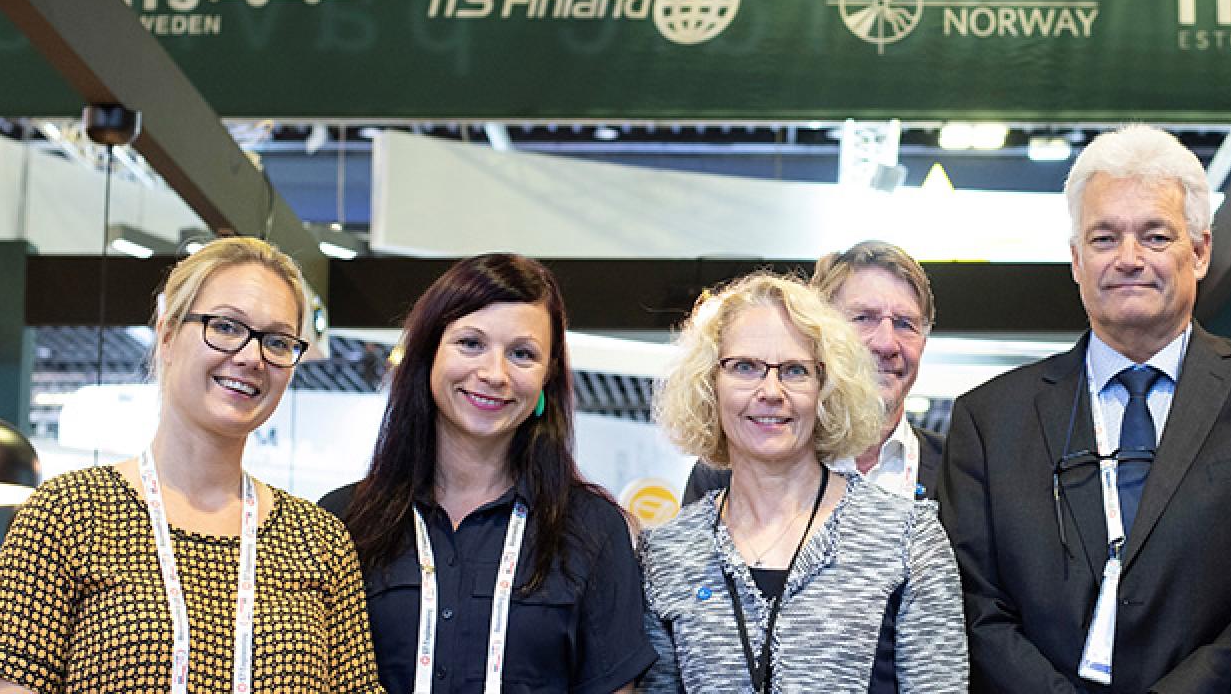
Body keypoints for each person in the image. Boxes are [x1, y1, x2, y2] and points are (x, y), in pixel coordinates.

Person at [939, 125, 1231, 694]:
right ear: (1075, 260)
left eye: (1155, 237)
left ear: (1201, 250)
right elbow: (973, 602)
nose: (1128, 259)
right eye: (1104, 239)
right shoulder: (988, 421)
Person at [0, 237, 381, 693]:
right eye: (225, 326)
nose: (250, 357)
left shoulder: (319, 540)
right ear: (167, 333)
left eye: (277, 341)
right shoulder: (68, 514)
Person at [320, 253, 654, 694]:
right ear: (429, 353)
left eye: (522, 354)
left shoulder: (591, 528)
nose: (494, 374)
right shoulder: (342, 522)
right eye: (471, 343)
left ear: (546, 378)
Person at [638, 272, 965, 692]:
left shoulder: (908, 538)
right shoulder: (666, 553)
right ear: (709, 385)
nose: (771, 391)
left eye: (794, 370)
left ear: (827, 389)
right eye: (745, 367)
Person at [684, 240, 944, 503]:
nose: (886, 343)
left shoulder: (960, 470)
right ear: (819, 333)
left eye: (904, 324)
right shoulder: (727, 474)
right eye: (863, 318)